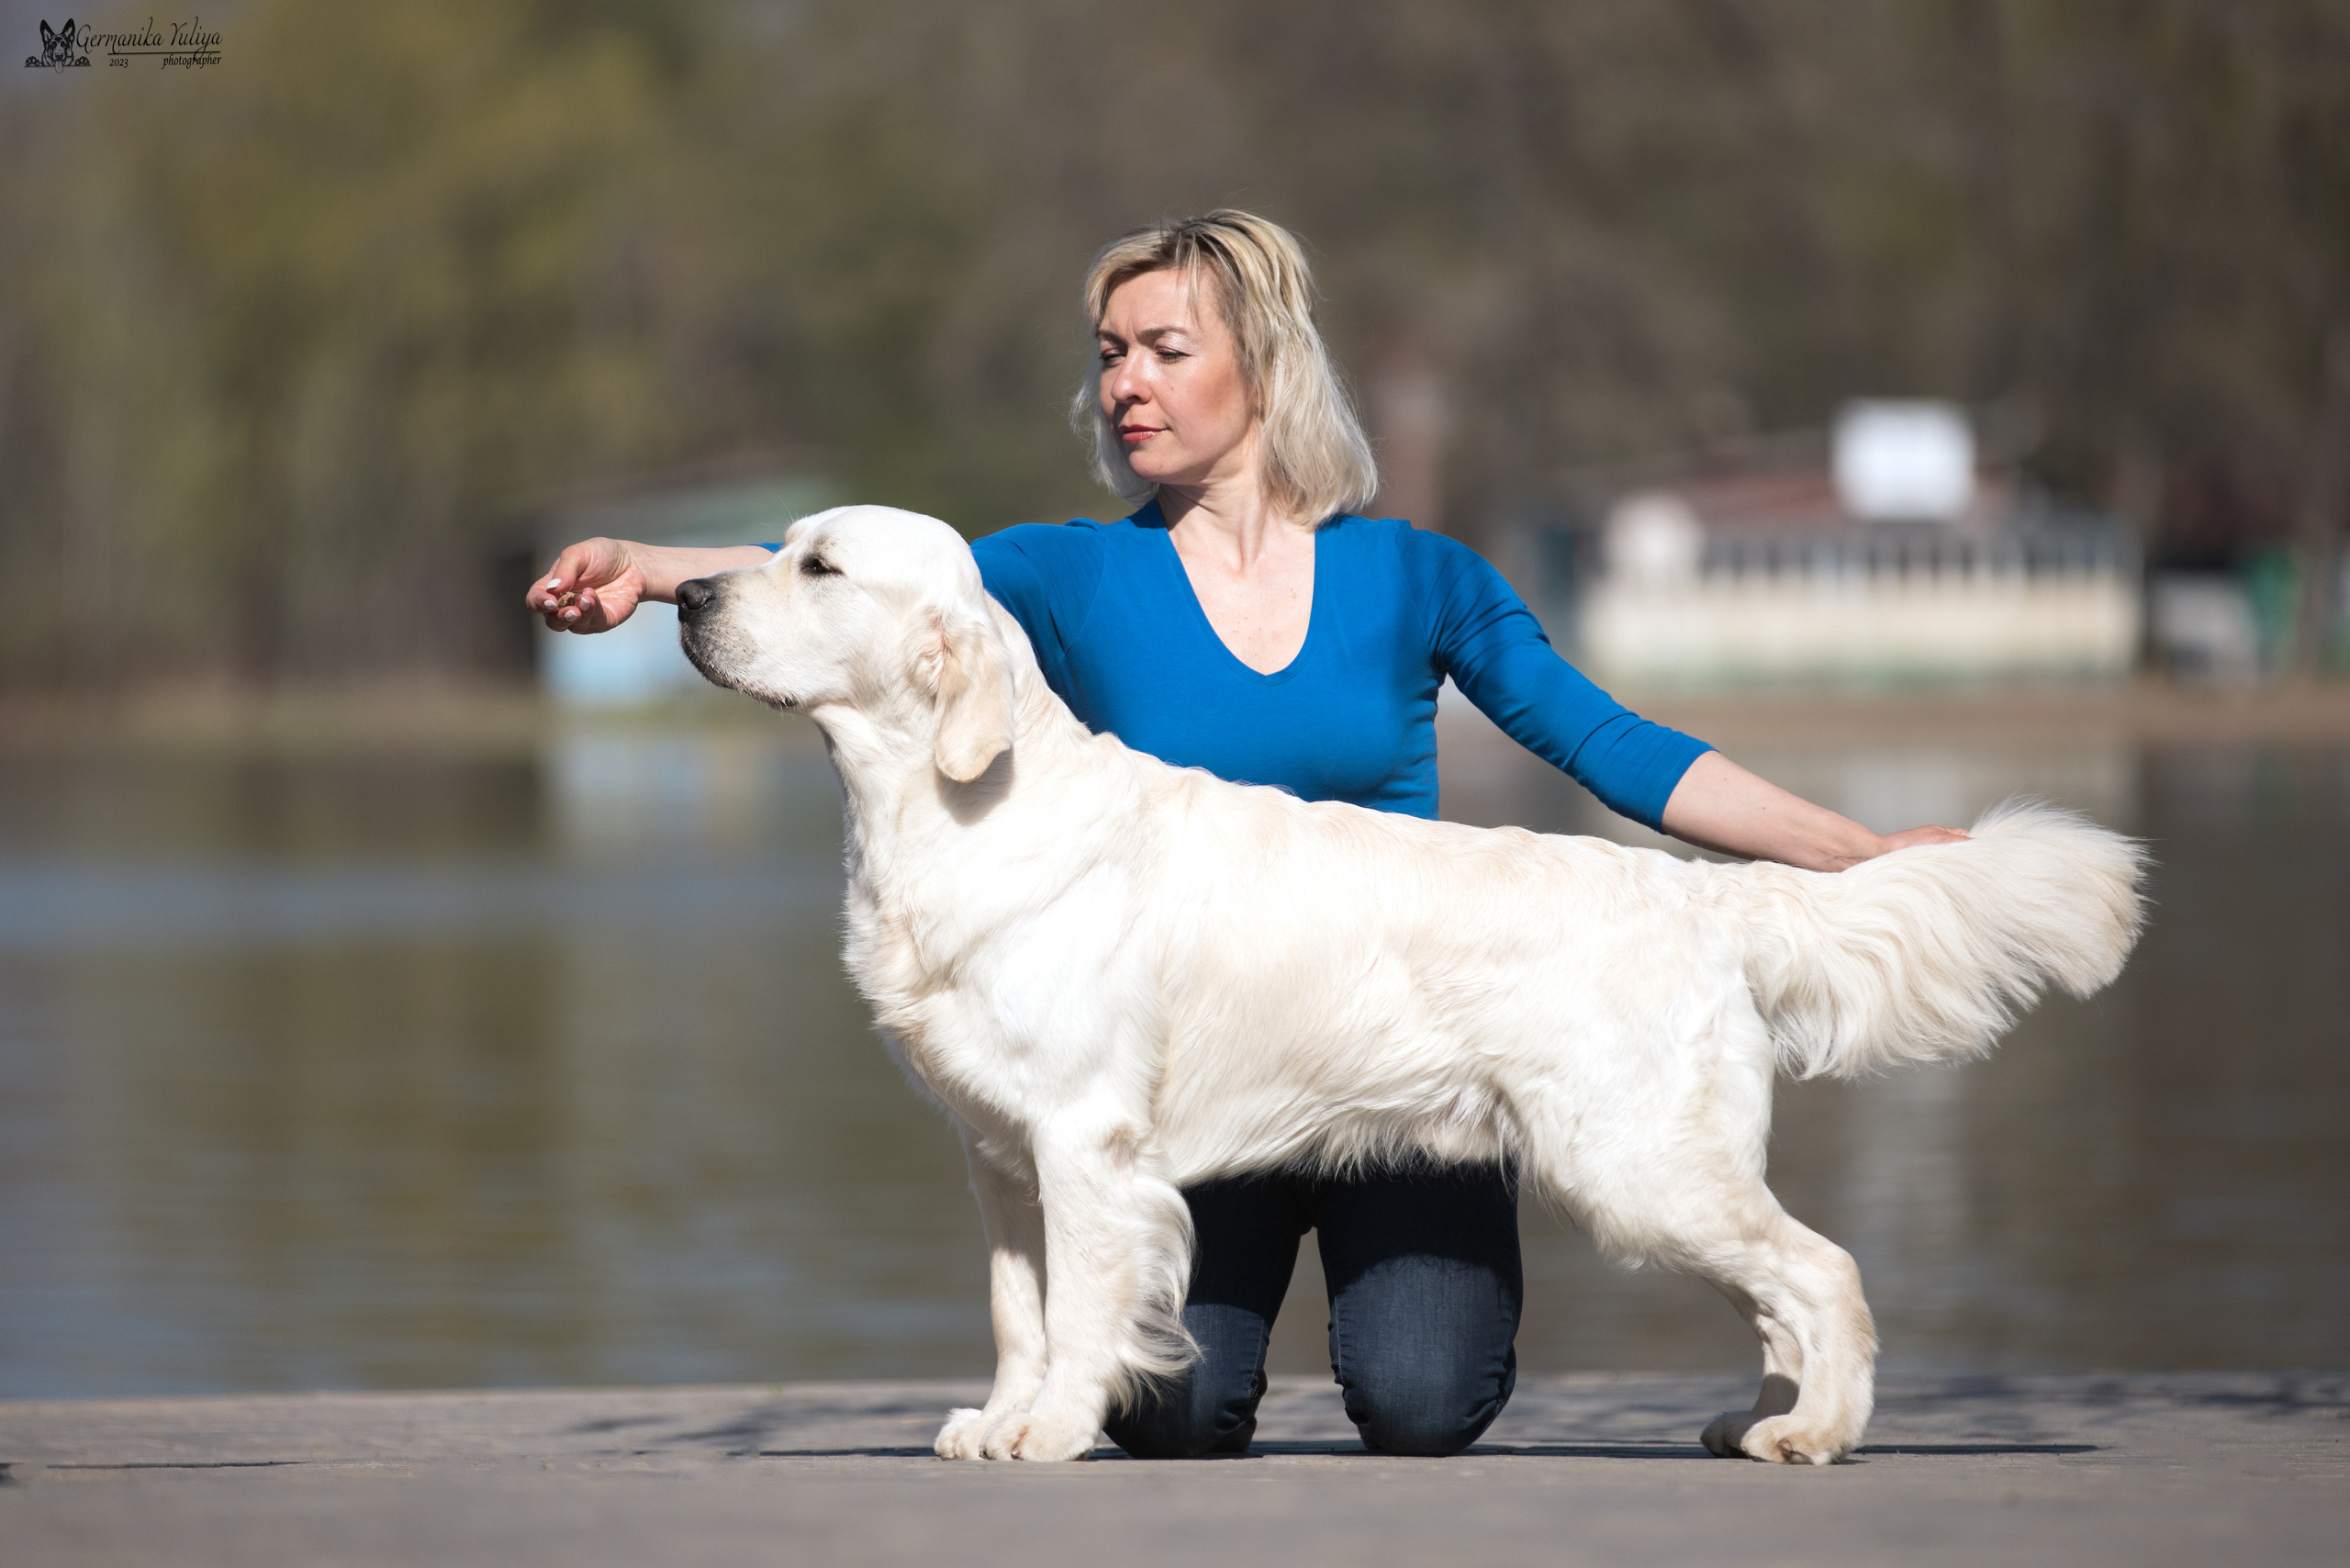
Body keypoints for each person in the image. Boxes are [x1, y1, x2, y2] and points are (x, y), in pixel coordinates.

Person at [527, 209, 1964, 1461]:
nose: (1127, 382)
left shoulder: (1414, 574)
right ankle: (1080, 1374)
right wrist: (650, 573)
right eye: (1110, 353)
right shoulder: (1069, 575)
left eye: (1166, 348)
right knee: (1170, 1414)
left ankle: (1813, 1318)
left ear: (1265, 369)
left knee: (1435, 1391)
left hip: (1420, 1026)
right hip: (1196, 1082)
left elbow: (1609, 747)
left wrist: (1852, 861)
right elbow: (862, 584)